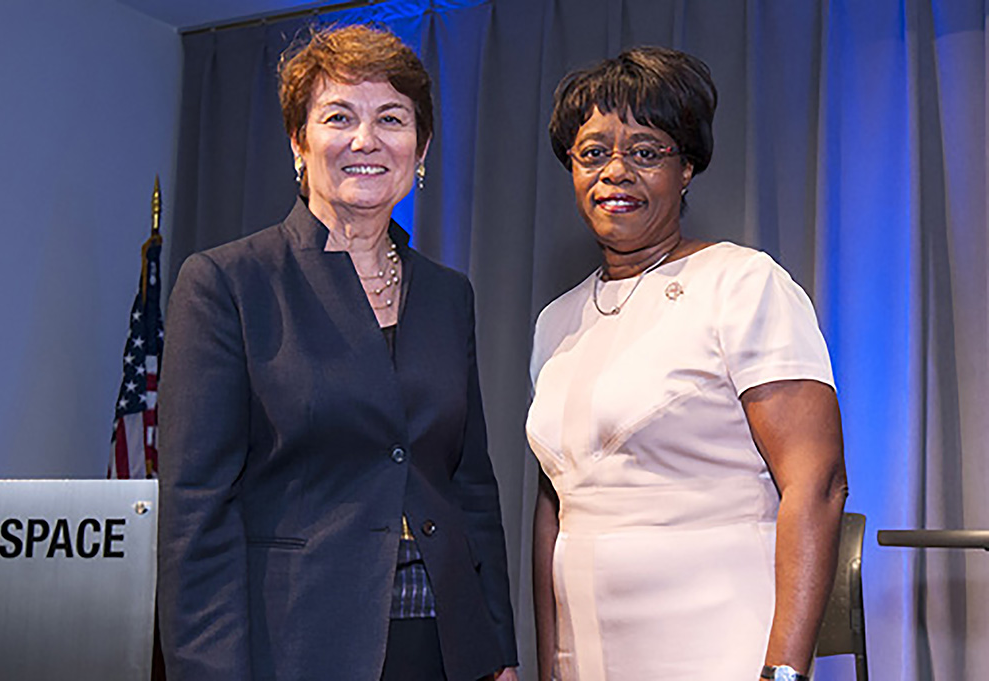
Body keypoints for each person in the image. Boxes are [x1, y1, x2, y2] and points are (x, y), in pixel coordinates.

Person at [157, 24, 518, 681]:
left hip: (445, 647)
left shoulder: (447, 295)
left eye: (392, 118)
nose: (365, 140)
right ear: (299, 142)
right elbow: (196, 517)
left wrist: (497, 650)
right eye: (338, 116)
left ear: (422, 145)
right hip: (294, 646)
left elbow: (469, 488)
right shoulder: (227, 284)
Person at [528, 47, 848, 681]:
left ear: (687, 168)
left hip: (725, 643)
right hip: (590, 654)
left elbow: (819, 484)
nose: (615, 172)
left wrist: (784, 673)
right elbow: (556, 508)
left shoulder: (742, 284)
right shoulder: (555, 321)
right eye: (592, 154)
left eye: (646, 152)